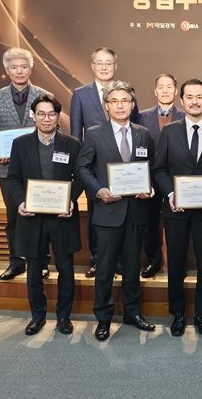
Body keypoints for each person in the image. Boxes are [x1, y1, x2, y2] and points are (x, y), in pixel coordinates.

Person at [76, 80, 156, 341]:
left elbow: (151, 167)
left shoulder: (144, 134)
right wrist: (98, 190)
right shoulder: (94, 134)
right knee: (105, 269)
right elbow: (82, 168)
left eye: (125, 101)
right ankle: (103, 318)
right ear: (106, 106)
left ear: (132, 105)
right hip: (108, 212)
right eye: (114, 101)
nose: (120, 105)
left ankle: (133, 313)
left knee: (132, 268)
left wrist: (149, 187)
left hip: (136, 212)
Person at [154, 78, 202, 337]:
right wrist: (171, 193)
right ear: (182, 101)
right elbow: (160, 169)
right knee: (175, 263)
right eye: (189, 97)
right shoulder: (169, 132)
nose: (195, 102)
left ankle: (201, 315)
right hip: (176, 210)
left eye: (199, 97)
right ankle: (178, 314)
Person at [7, 94, 82, 336]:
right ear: (34, 116)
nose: (46, 118)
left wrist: (70, 200)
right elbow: (13, 178)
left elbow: (81, 177)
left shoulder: (72, 144)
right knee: (34, 270)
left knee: (66, 270)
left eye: (51, 114)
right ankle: (37, 316)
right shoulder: (20, 144)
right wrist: (21, 202)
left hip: (62, 217)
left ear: (58, 116)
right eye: (41, 114)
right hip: (32, 217)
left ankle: (64, 317)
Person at [0, 47, 51, 281]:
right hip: (7, 168)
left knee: (40, 215)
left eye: (24, 66)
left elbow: (53, 128)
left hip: (38, 167)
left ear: (31, 69)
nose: (19, 71)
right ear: (7, 70)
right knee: (13, 217)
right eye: (14, 67)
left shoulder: (44, 96)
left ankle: (42, 262)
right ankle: (16, 262)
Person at [70, 47, 118, 279]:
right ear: (92, 66)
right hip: (93, 165)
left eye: (109, 63)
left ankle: (118, 260)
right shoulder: (80, 94)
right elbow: (75, 133)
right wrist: (80, 167)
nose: (104, 67)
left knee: (121, 214)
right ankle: (96, 260)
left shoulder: (124, 91)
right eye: (100, 63)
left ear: (115, 66)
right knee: (95, 215)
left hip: (121, 166)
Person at [137, 74, 185, 278]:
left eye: (169, 87)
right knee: (150, 221)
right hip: (149, 177)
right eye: (161, 87)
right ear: (155, 91)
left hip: (177, 178)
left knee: (179, 223)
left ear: (176, 91)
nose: (165, 90)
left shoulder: (186, 116)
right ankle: (153, 260)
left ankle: (179, 263)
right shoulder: (141, 117)